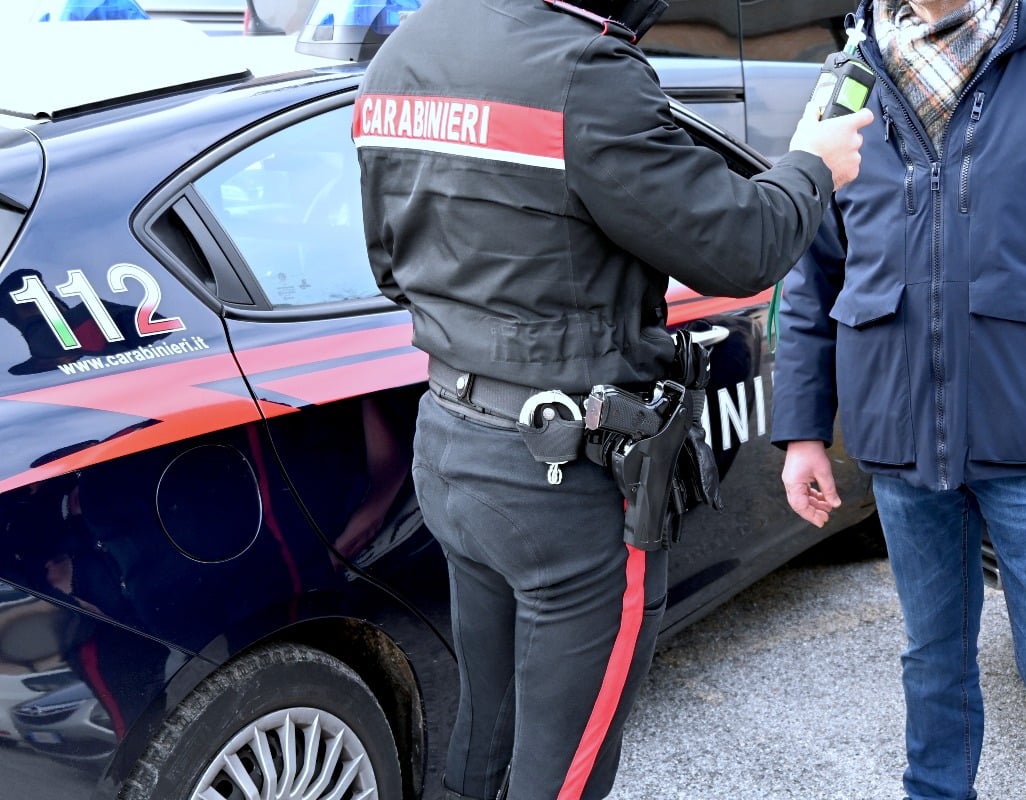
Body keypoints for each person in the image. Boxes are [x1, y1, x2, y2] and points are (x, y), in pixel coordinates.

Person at [352, 0, 873, 796]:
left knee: (483, 736)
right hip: (563, 485)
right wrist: (813, 164)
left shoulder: (410, 45)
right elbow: (741, 250)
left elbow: (390, 267)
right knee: (566, 770)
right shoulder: (587, 72)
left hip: (453, 443)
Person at [770, 1, 1026, 798]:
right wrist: (802, 429)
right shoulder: (851, 73)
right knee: (931, 662)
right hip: (903, 444)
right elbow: (815, 268)